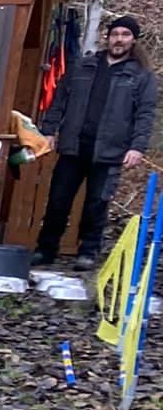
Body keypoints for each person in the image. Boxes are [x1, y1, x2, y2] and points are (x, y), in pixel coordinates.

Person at [33, 14, 156, 271]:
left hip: (110, 151)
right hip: (73, 146)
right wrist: (49, 130)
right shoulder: (82, 66)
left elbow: (145, 115)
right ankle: (46, 250)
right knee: (58, 200)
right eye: (115, 34)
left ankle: (87, 252)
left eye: (125, 35)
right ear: (107, 37)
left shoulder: (140, 76)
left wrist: (137, 147)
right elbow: (58, 101)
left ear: (133, 40)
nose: (119, 40)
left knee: (96, 204)